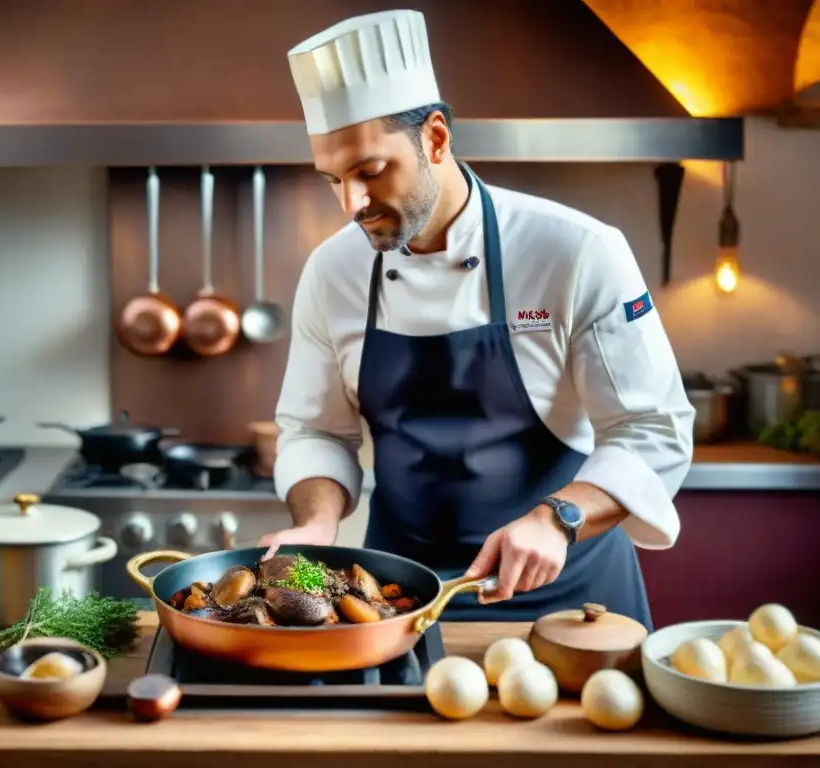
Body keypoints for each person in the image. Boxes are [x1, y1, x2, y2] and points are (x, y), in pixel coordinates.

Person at [258, 10, 695, 628]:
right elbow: (315, 432)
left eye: (370, 171)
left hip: (572, 598)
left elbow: (652, 427)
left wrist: (559, 518)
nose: (352, 204)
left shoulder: (574, 250)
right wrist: (317, 521)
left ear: (435, 138)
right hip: (392, 601)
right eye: (333, 179)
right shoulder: (333, 272)